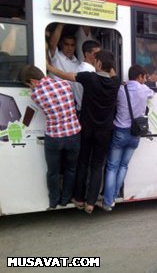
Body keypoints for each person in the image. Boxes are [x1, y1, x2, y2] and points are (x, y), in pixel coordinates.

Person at [49, 50, 120, 214]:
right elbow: (112, 73)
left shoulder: (89, 78)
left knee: (83, 163)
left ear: (99, 64)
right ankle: (90, 203)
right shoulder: (115, 83)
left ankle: (79, 199)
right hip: (105, 132)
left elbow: (66, 75)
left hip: (87, 129)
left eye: (96, 61)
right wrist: (108, 65)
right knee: (97, 166)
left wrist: (49, 67)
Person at [21, 65, 81, 209]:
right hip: (73, 134)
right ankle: (65, 199)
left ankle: (54, 200)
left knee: (53, 171)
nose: (30, 88)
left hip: (53, 137)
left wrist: (34, 89)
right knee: (71, 169)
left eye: (29, 84)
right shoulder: (65, 85)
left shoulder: (36, 95)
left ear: (33, 81)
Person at [101, 64, 154, 211]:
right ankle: (114, 197)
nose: (145, 80)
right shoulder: (144, 89)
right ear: (140, 77)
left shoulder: (120, 89)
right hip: (136, 133)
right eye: (144, 77)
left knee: (112, 167)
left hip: (120, 131)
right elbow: (152, 94)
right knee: (123, 166)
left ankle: (108, 201)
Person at [74, 40, 101, 112]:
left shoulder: (78, 68)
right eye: (95, 54)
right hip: (90, 112)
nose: (98, 56)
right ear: (86, 54)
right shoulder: (90, 70)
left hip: (81, 110)